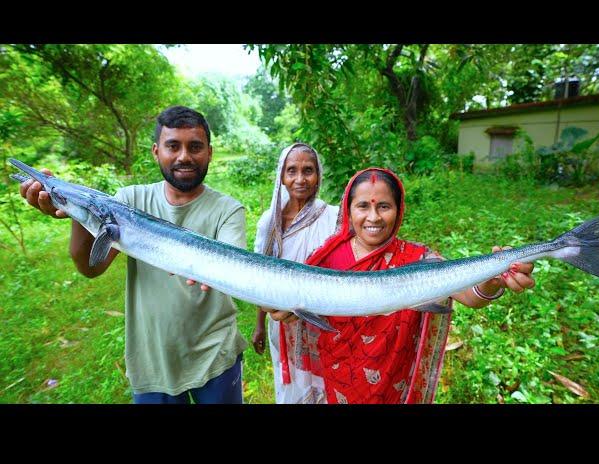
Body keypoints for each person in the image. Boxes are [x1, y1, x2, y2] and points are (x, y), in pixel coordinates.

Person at [18, 105, 248, 404]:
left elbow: (236, 265)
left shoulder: (228, 208)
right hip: (151, 359)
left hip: (217, 355)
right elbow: (91, 268)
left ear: (209, 152)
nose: (183, 156)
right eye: (172, 146)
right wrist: (74, 212)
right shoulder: (129, 200)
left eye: (195, 147)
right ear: (156, 151)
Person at [267, 167, 535, 404]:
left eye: (384, 206)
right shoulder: (324, 258)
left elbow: (471, 295)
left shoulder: (417, 260)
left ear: (399, 209)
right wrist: (286, 311)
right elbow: (301, 307)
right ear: (348, 210)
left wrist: (492, 281)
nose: (373, 217)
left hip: (393, 383)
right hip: (338, 379)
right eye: (363, 206)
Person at [252, 143, 339, 404]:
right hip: (282, 325)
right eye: (292, 171)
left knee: (325, 388)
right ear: (281, 176)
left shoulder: (332, 217)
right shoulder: (270, 221)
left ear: (318, 176)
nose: (300, 179)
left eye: (308, 170)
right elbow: (260, 276)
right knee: (291, 391)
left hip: (321, 323)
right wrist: (258, 324)